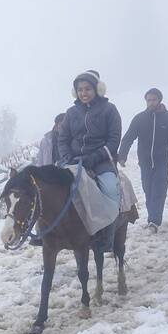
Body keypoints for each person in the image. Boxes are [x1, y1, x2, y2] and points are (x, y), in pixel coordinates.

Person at [58, 70, 122, 252]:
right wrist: (67, 157)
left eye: (87, 89)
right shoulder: (70, 113)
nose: (83, 93)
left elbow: (113, 140)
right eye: (80, 90)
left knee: (110, 190)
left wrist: (94, 157)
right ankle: (46, 235)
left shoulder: (109, 110)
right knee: (48, 186)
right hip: (72, 160)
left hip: (101, 161)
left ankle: (106, 238)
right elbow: (62, 139)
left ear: (97, 89)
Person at [117, 88, 168, 233]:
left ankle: (154, 221)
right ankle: (152, 217)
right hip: (145, 162)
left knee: (159, 191)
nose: (151, 102)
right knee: (148, 191)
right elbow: (129, 137)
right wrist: (122, 155)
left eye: (154, 99)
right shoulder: (140, 118)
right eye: (149, 100)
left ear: (159, 100)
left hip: (162, 161)